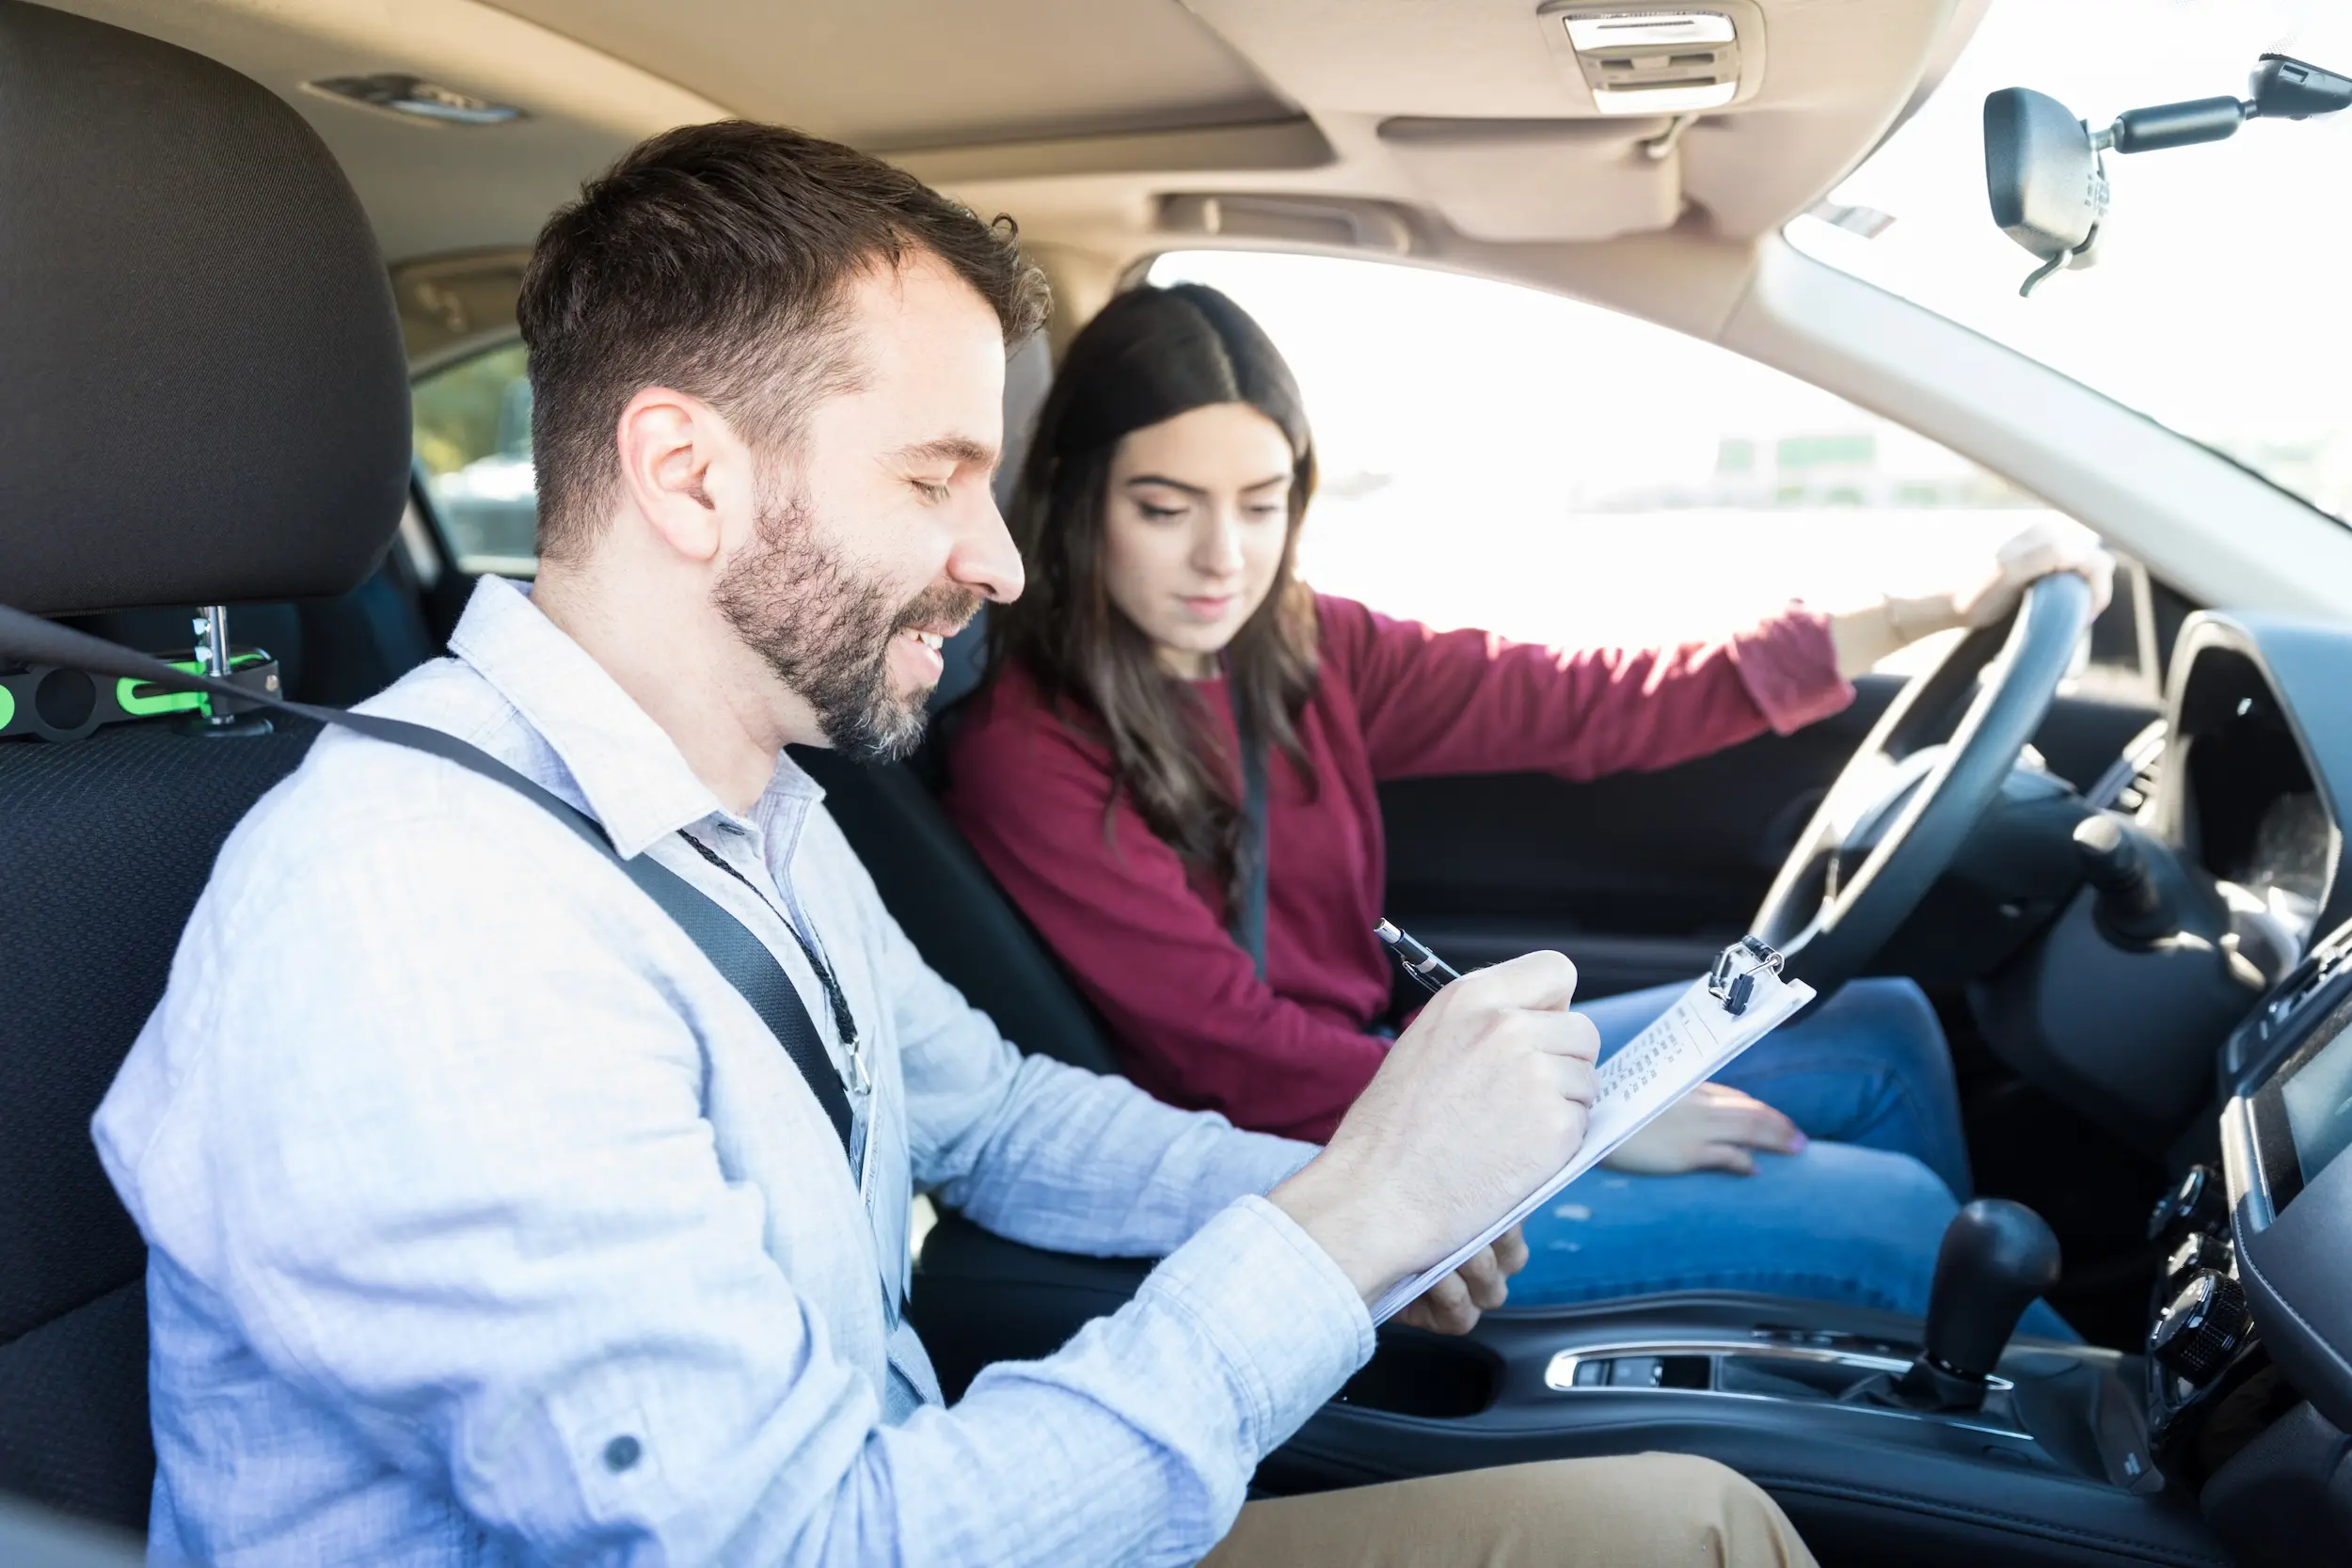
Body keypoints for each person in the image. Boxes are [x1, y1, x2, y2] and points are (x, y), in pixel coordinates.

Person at [90, 122, 1818, 1567]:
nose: (1001, 560)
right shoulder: (425, 925)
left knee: (1689, 1527)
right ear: (687, 478)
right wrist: (1346, 1223)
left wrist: (1349, 1196)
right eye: (935, 481)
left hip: (926, 1495)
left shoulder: (747, 802)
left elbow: (990, 1113)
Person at [942, 282, 2109, 1322]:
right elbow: (1234, 1054)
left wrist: (1927, 608)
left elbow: (1589, 702)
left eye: (1259, 502)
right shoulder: (1026, 752)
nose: (1223, 558)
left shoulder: (1301, 647)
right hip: (1309, 1164)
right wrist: (1578, 1115)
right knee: (1895, 1219)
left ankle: (1926, 1401)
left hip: (1400, 1070)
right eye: (1164, 507)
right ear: (1073, 495)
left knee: (1888, 1028)